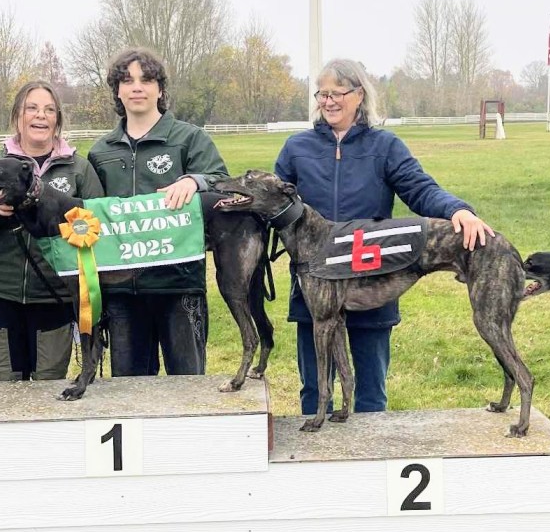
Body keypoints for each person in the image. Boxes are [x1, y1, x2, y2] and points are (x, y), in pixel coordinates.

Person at [275, 58, 494, 416]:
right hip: (314, 286)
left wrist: (458, 210)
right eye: (322, 94)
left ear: (359, 95)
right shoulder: (296, 148)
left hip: (371, 279)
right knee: (315, 390)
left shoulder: (386, 147)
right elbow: (275, 203)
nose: (328, 101)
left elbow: (420, 189)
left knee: (371, 393)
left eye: (337, 93)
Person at [88, 47, 229, 377]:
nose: (137, 87)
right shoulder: (99, 151)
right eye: (127, 80)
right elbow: (87, 214)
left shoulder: (188, 138)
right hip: (122, 290)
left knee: (188, 387)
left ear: (160, 89)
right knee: (130, 391)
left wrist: (196, 181)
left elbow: (224, 182)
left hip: (179, 285)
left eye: (146, 80)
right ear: (117, 91)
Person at [0, 81, 103, 382]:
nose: (40, 116)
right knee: (6, 387)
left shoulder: (78, 168)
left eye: (49, 110)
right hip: (2, 290)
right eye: (32, 108)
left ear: (57, 119)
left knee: (48, 386)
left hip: (54, 294)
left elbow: (97, 221)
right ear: (18, 115)